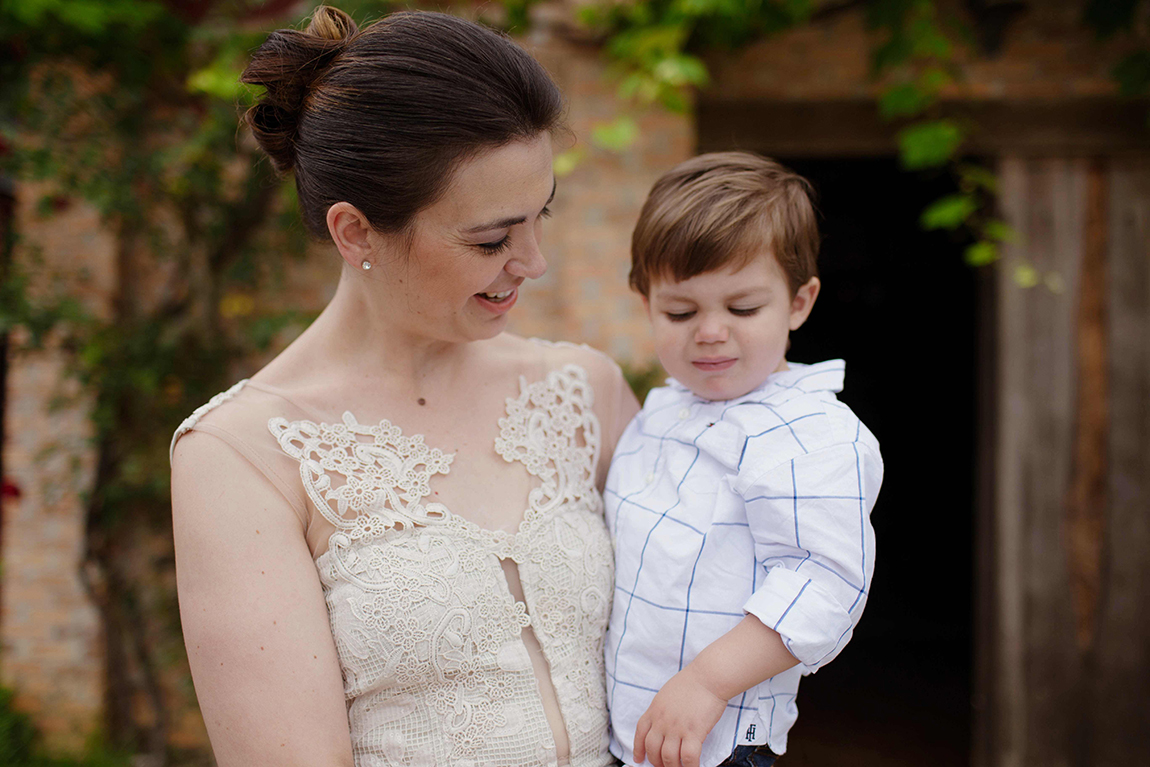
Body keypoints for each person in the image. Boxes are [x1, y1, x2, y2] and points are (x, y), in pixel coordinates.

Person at [169, 7, 639, 766]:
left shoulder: (587, 393)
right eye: (492, 238)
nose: (534, 261)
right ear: (355, 232)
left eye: (539, 216)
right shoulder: (240, 456)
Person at [603, 152, 883, 767]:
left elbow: (825, 582)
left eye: (742, 308)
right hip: (626, 730)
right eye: (681, 311)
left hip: (717, 740)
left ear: (800, 303)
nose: (709, 331)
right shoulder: (660, 412)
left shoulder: (811, 435)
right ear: (645, 300)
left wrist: (706, 682)